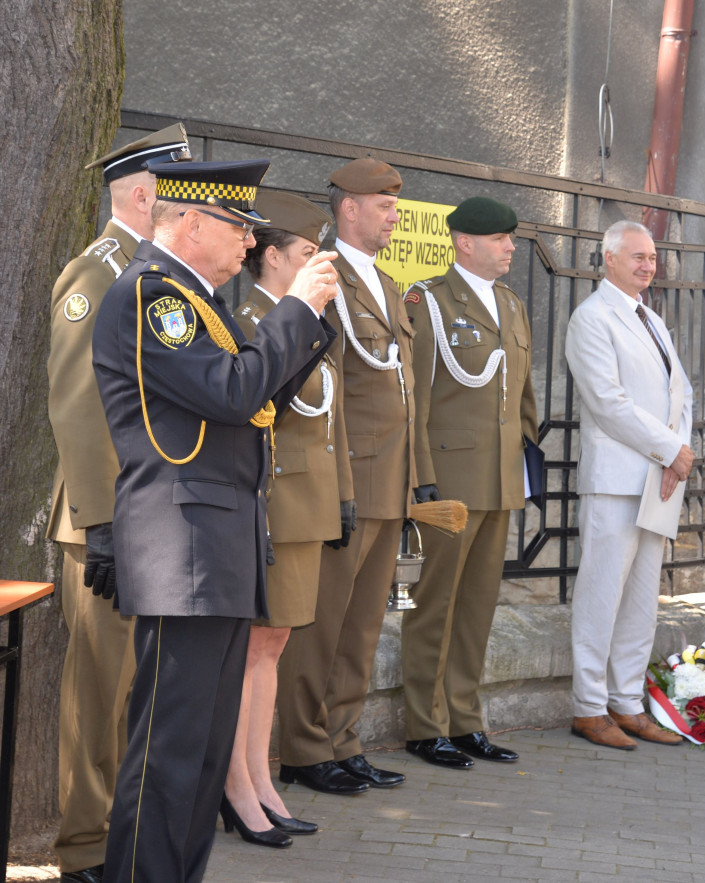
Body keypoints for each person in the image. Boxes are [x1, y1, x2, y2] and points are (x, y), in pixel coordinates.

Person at [92, 159, 339, 883]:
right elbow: (230, 392)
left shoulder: (200, 301)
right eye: (239, 227)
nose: (249, 243)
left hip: (217, 548)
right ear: (189, 222)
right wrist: (292, 308)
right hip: (183, 554)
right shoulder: (153, 298)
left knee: (201, 754)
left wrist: (306, 319)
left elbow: (257, 400)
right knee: (170, 749)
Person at [46, 123, 191, 883]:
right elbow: (76, 406)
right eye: (177, 192)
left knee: (135, 690)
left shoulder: (151, 273)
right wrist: (101, 522)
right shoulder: (97, 274)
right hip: (104, 522)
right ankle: (83, 852)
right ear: (142, 195)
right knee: (97, 695)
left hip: (149, 518)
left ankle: (120, 836)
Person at [276, 158, 417, 793]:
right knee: (322, 622)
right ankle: (305, 749)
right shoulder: (320, 277)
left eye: (394, 206)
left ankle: (342, 737)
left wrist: (421, 476)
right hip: (345, 481)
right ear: (348, 209)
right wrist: (337, 487)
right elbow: (318, 389)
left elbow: (407, 389)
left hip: (390, 477)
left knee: (362, 624)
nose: (393, 216)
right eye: (382, 206)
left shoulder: (388, 284)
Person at [400, 196, 538, 768]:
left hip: (500, 478)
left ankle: (464, 720)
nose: (510, 247)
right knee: (436, 603)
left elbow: (523, 401)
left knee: (478, 605)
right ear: (464, 243)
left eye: (510, 238)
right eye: (501, 238)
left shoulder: (510, 304)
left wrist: (525, 464)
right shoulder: (428, 302)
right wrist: (421, 479)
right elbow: (417, 399)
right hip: (450, 481)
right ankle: (423, 724)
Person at [221, 191, 341, 848]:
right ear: (271, 259)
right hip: (271, 505)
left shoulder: (305, 317)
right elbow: (263, 403)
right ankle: (238, 783)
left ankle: (260, 776)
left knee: (272, 647)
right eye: (303, 253)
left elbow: (330, 424)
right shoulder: (249, 319)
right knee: (254, 649)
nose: (316, 264)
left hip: (303, 509)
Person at [563, 220, 693, 750]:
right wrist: (670, 449)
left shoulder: (653, 321)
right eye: (637, 256)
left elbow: (678, 393)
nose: (647, 264)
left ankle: (627, 701)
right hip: (618, 479)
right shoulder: (592, 318)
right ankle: (590, 708)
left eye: (652, 257)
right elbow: (608, 403)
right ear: (609, 258)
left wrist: (676, 455)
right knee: (601, 595)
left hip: (660, 480)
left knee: (641, 600)